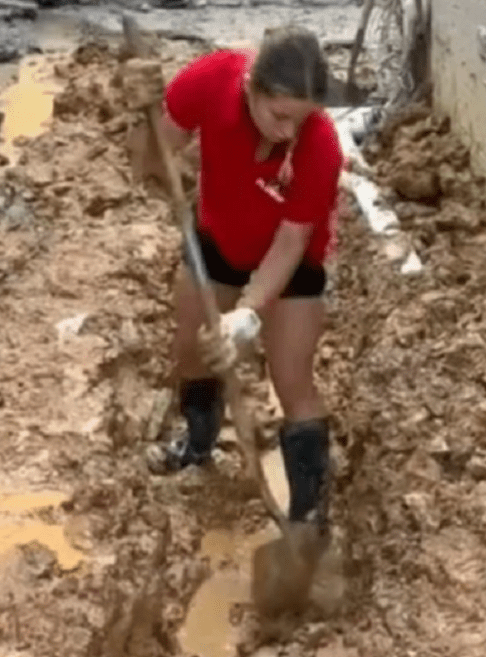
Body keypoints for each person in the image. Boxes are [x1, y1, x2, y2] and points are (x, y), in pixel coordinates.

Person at [149, 25, 344, 536]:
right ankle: (199, 444)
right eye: (279, 115)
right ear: (251, 87)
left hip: (292, 264)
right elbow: (154, 154)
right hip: (217, 240)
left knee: (292, 377)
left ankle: (305, 516)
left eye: (301, 120)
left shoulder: (320, 146)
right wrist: (146, 124)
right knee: (193, 349)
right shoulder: (211, 80)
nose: (289, 133)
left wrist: (249, 312)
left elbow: (291, 242)